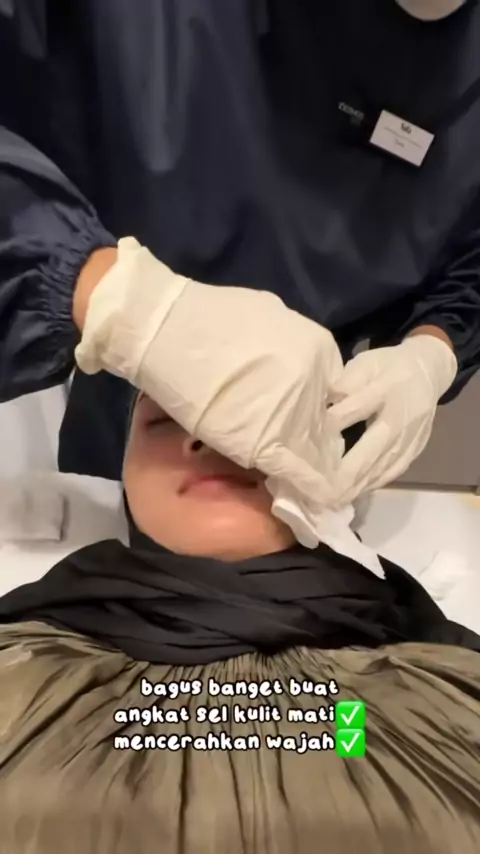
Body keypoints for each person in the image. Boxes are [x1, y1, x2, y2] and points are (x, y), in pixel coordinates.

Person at [1, 0, 478, 507]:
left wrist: (431, 351)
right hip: (123, 381)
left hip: (316, 420)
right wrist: (118, 302)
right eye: (165, 422)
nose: (217, 444)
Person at [0, 389, 479, 853]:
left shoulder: (452, 691)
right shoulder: (18, 666)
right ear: (124, 472)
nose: (207, 436)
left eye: (260, 410)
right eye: (163, 420)